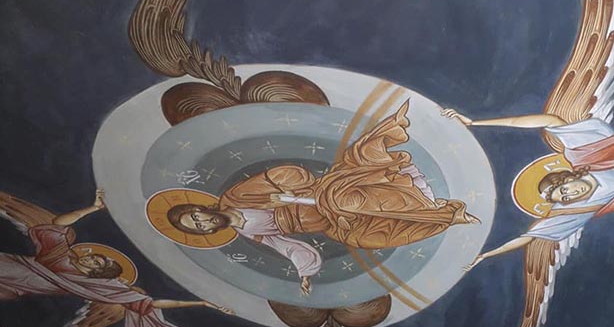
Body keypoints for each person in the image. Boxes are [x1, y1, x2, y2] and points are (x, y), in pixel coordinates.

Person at [164, 101, 479, 295]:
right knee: (365, 237)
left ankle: (412, 193)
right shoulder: (246, 231)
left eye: (195, 217)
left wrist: (284, 191)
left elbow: (286, 175)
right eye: (198, 227)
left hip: (322, 195)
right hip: (325, 224)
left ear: (199, 207)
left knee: (345, 202)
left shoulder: (235, 197)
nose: (203, 223)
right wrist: (304, 273)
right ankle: (445, 216)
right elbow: (284, 245)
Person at [442, 43, 614, 268]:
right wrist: (486, 255)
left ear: (568, 177)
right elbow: (529, 237)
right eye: (564, 199)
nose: (570, 195)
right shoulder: (580, 209)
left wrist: (476, 123)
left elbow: (549, 121)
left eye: (564, 189)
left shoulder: (589, 156)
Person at [0, 189, 233, 327]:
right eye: (96, 256)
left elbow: (150, 304)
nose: (92, 258)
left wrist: (200, 303)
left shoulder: (102, 288)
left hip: (15, 289)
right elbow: (58, 225)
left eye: (98, 262)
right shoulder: (59, 254)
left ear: (99, 273)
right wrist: (93, 208)